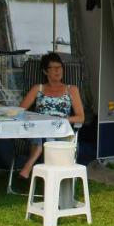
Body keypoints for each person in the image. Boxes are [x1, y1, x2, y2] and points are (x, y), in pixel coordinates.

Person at [16, 52, 85, 180]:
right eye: (53, 68)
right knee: (41, 132)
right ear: (45, 71)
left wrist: (63, 120)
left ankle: (29, 166)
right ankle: (37, 155)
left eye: (59, 67)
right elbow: (20, 111)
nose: (57, 71)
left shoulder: (71, 89)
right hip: (39, 128)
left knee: (43, 136)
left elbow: (81, 117)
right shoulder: (38, 88)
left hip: (61, 130)